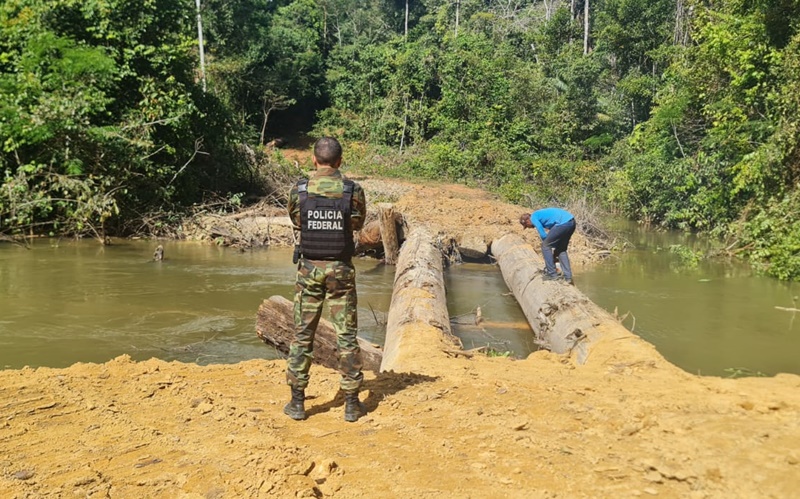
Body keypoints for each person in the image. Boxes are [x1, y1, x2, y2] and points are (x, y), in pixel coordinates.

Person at [284, 137, 367, 422]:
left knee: (302, 334)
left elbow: (298, 221)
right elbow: (356, 223)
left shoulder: (300, 189)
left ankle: (297, 403)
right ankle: (352, 404)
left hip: (309, 271)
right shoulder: (352, 190)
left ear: (313, 160)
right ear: (340, 161)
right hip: (341, 270)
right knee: (346, 335)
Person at [519, 208, 576, 285]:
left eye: (527, 226)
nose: (529, 227)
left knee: (545, 246)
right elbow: (554, 235)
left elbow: (543, 234)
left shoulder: (533, 217)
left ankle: (552, 274)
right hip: (571, 222)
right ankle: (568, 278)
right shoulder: (539, 215)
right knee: (561, 250)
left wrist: (547, 245)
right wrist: (554, 252)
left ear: (527, 221)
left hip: (563, 224)